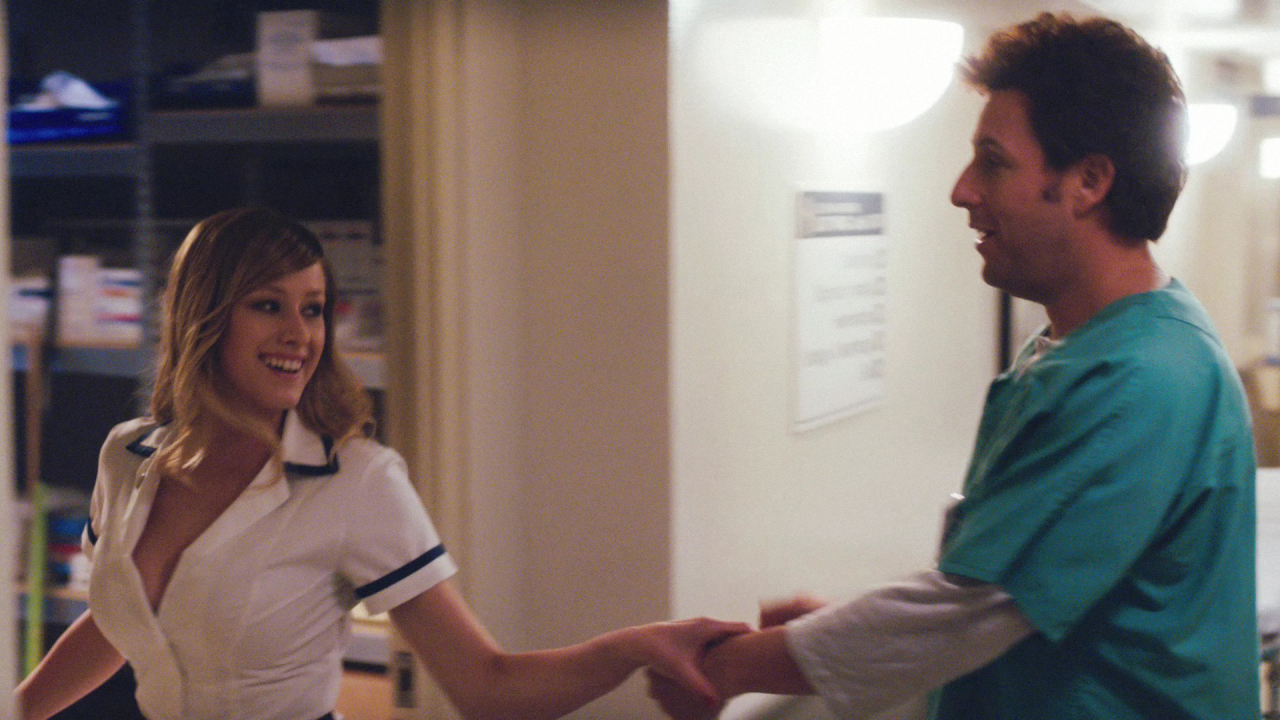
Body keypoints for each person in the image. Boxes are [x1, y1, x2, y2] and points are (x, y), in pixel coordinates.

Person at [647, 12, 1259, 720]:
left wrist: (724, 669)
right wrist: (838, 634)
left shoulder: (1140, 379)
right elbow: (1001, 590)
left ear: (1089, 182)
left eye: (993, 162)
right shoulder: (1086, 351)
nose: (963, 190)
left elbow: (976, 607)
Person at [14, 207, 749, 720]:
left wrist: (630, 649)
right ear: (203, 316)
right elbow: (118, 624)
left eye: (313, 308)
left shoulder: (358, 481)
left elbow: (487, 686)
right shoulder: (128, 456)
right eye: (269, 305)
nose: (300, 334)